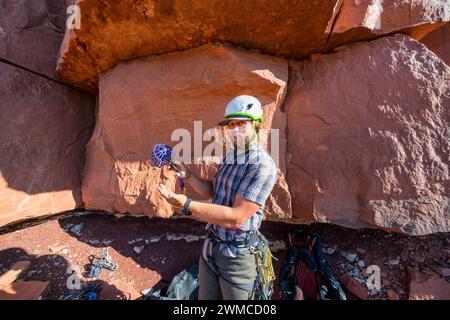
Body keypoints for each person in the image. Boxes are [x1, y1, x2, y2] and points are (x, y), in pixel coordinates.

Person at [158, 95, 278, 300]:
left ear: (257, 124)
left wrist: (186, 204)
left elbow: (237, 216)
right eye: (231, 124)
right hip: (211, 246)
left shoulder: (262, 165)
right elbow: (214, 191)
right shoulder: (231, 156)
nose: (235, 129)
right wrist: (186, 173)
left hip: (237, 256)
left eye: (242, 123)